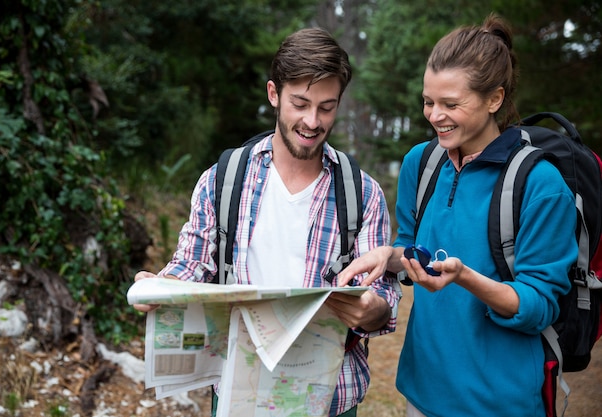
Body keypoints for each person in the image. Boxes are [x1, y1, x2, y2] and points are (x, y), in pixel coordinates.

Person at [133, 27, 399, 417]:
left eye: (327, 107)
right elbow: (190, 266)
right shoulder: (222, 180)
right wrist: (160, 289)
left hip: (330, 398)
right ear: (274, 94)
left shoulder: (363, 192)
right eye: (300, 103)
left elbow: (383, 298)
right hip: (237, 391)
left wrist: (375, 311)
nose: (312, 121)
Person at [338, 14, 578, 417]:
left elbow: (539, 305)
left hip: (498, 402)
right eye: (429, 101)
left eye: (451, 104)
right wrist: (390, 257)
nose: (434, 115)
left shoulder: (540, 184)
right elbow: (413, 247)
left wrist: (465, 277)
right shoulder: (422, 161)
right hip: (422, 390)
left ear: (494, 99)